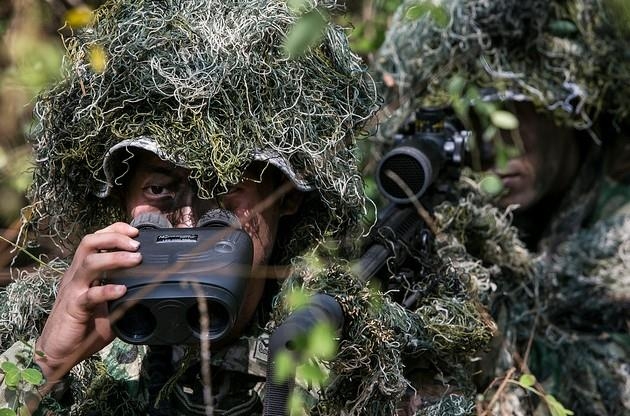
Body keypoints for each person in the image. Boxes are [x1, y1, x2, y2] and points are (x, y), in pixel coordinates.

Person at [0, 0, 390, 414]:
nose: (188, 220)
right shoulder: (68, 330)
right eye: (158, 190)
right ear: (121, 203)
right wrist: (47, 362)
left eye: (221, 190)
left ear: (286, 197)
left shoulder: (343, 350)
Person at [373, 0, 630, 414]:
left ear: (566, 103)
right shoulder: (464, 209)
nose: (488, 144)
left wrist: (486, 352)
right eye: (465, 121)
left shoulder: (619, 213)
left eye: (508, 109)